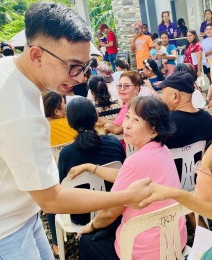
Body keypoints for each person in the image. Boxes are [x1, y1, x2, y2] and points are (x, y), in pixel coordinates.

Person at [0, 3, 151, 259]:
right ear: (37, 55)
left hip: (15, 215)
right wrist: (126, 196)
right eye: (73, 66)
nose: (81, 77)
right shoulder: (17, 114)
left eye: (84, 66)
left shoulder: (6, 66)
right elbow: (52, 200)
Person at [71, 96, 187, 259]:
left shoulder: (135, 161)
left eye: (136, 120)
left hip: (146, 251)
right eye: (127, 117)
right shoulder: (162, 149)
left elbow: (109, 212)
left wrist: (91, 225)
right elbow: (126, 177)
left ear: (154, 130)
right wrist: (92, 167)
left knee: (88, 240)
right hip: (173, 241)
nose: (127, 125)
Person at [46, 97, 126, 256]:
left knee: (50, 199)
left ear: (70, 122)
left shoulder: (67, 154)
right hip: (115, 208)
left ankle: (56, 245)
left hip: (81, 215)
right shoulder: (113, 142)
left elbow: (62, 188)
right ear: (96, 117)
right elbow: (124, 178)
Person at [160, 71, 212, 149]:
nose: (161, 97)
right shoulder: (209, 119)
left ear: (175, 96)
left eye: (163, 93)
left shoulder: (165, 123)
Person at [99, 71, 141, 135]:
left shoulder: (135, 106)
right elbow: (119, 124)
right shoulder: (127, 104)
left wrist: (104, 123)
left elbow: (117, 129)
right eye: (120, 85)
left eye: (126, 86)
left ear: (137, 88)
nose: (122, 89)